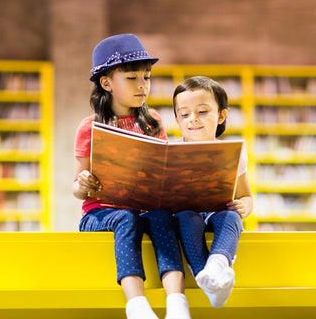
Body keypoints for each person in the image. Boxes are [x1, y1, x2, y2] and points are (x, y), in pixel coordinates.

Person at [73, 34, 191, 319]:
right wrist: (84, 183)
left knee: (163, 215)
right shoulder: (90, 127)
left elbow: (162, 172)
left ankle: (177, 302)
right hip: (102, 214)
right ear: (107, 83)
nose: (142, 86)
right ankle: (136, 305)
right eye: (132, 78)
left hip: (146, 209)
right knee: (126, 218)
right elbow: (77, 189)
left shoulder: (153, 122)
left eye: (147, 78)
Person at [172, 76, 253, 308]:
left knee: (231, 216)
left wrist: (243, 207)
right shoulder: (171, 151)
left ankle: (217, 265)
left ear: (221, 115)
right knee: (187, 217)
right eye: (184, 114)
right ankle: (207, 280)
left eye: (202, 111)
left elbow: (246, 196)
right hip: (186, 217)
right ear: (177, 119)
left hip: (219, 214)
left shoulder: (233, 152)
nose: (193, 120)